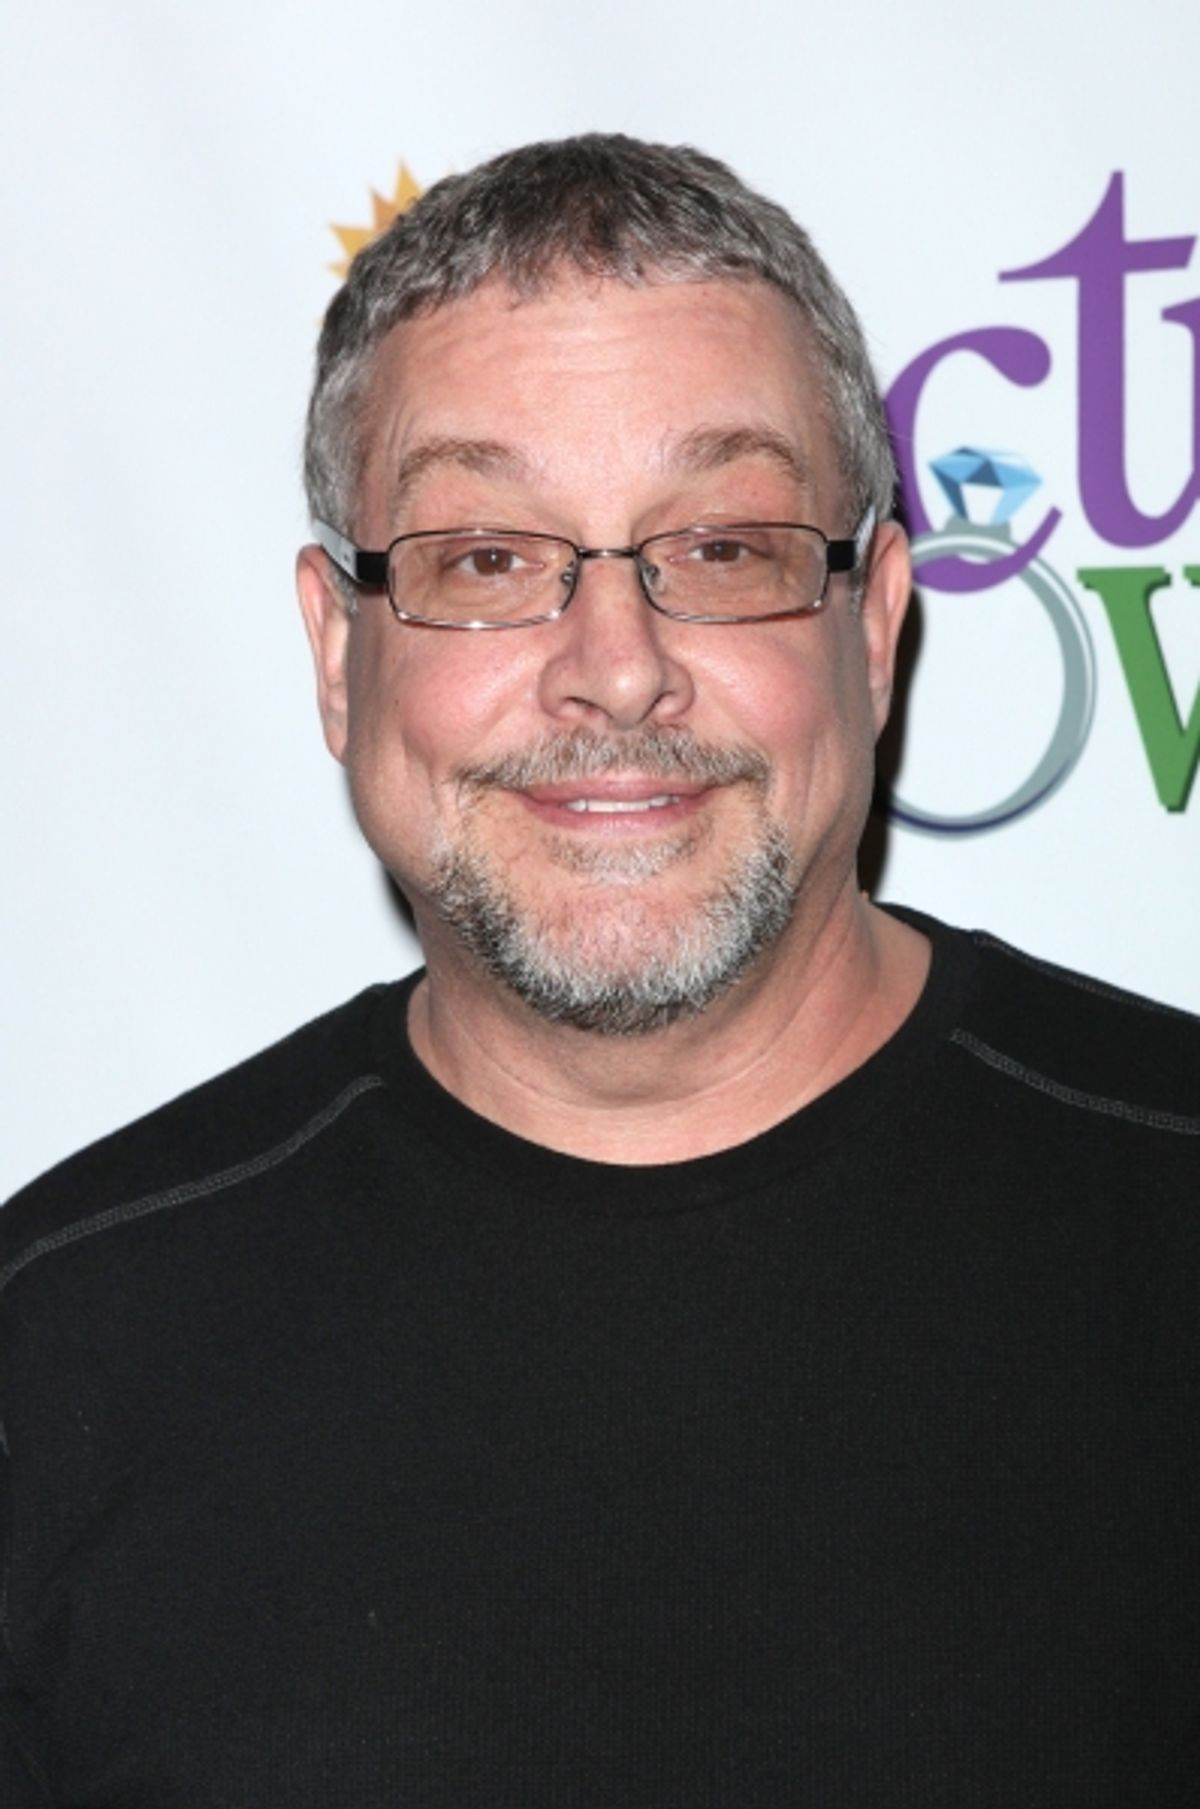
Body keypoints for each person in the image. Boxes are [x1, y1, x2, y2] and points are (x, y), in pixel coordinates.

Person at [1, 135, 1196, 1807]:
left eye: (720, 547)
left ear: (873, 624)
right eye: (487, 558)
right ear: (341, 655)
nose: (615, 672)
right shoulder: (53, 1354)